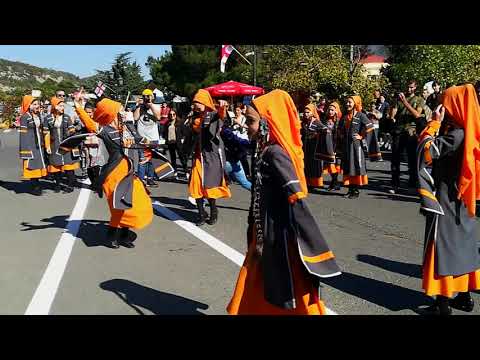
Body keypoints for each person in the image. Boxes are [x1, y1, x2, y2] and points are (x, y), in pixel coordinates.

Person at [227, 89, 341, 315]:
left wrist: (314, 245)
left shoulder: (275, 154)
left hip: (280, 238)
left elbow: (296, 199)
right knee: (260, 286)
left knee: (290, 290)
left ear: (267, 123)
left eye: (251, 121)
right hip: (264, 234)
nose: (246, 126)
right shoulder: (262, 149)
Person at [417, 84, 480, 315]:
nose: (441, 106)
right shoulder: (469, 130)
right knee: (463, 248)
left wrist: (433, 123)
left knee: (442, 248)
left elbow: (425, 151)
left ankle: (442, 304)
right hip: (463, 199)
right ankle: (464, 298)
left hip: (446, 198)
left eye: (446, 102)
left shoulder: (455, 135)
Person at [73, 94, 155, 249]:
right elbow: (91, 125)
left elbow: (140, 141)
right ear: (113, 114)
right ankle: (112, 236)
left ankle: (124, 235)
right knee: (119, 209)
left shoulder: (127, 128)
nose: (125, 112)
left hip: (131, 173)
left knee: (136, 204)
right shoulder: (107, 131)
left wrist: (148, 152)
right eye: (121, 110)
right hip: (115, 175)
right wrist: (78, 108)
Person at [188, 89, 231, 226]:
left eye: (198, 102)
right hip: (198, 157)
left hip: (212, 157)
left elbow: (221, 118)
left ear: (205, 102)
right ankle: (201, 214)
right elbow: (192, 131)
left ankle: (213, 211)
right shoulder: (194, 117)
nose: (195, 105)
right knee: (195, 185)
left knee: (210, 186)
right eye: (194, 102)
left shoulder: (214, 115)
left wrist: (222, 108)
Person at [337, 95, 379, 199]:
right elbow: (339, 128)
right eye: (347, 102)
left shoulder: (361, 115)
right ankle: (350, 189)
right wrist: (341, 135)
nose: (348, 104)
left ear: (355, 103)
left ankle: (355, 191)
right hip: (346, 146)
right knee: (348, 166)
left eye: (350, 102)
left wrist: (361, 136)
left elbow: (369, 126)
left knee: (355, 167)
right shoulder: (345, 116)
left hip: (355, 146)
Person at [388, 80, 426, 194]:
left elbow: (417, 115)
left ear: (415, 88)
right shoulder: (399, 99)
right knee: (395, 158)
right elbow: (392, 115)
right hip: (399, 131)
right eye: (407, 87)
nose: (409, 89)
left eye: (411, 87)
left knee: (411, 159)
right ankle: (395, 183)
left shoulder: (419, 100)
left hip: (411, 132)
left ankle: (412, 183)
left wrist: (405, 102)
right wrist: (393, 110)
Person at [44, 96, 81, 193]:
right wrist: (47, 146)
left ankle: (70, 185)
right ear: (55, 106)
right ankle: (57, 184)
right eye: (60, 106)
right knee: (56, 166)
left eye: (63, 106)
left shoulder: (67, 117)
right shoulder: (48, 118)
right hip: (54, 145)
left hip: (66, 145)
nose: (62, 108)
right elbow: (46, 133)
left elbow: (72, 130)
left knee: (69, 167)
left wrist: (70, 132)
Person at [19, 95, 48, 196]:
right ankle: (35, 186)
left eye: (37, 104)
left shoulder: (38, 115)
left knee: (39, 164)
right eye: (34, 104)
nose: (37, 106)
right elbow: (23, 135)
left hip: (39, 145)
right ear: (28, 105)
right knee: (32, 165)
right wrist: (25, 150)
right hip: (30, 145)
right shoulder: (24, 117)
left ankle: (36, 184)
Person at [134, 89, 162, 187]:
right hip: (142, 139)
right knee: (142, 160)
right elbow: (135, 118)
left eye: (148, 96)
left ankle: (150, 179)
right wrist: (139, 106)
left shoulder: (156, 106)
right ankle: (141, 180)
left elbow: (158, 117)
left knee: (151, 160)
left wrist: (150, 104)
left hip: (153, 138)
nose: (146, 98)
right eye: (145, 96)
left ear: (152, 97)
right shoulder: (140, 107)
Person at [82, 102, 106, 189]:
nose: (88, 114)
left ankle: (97, 182)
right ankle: (93, 182)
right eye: (86, 112)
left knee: (96, 165)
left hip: (96, 145)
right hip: (85, 145)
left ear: (93, 112)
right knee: (87, 165)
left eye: (90, 112)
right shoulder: (82, 120)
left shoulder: (97, 121)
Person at [301, 103, 324, 190]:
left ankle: (314, 183)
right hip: (305, 148)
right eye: (305, 112)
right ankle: (307, 183)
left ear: (312, 112)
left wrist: (316, 135)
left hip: (314, 148)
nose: (306, 114)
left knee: (313, 166)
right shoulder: (304, 122)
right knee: (306, 165)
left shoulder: (317, 122)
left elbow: (324, 130)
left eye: (308, 112)